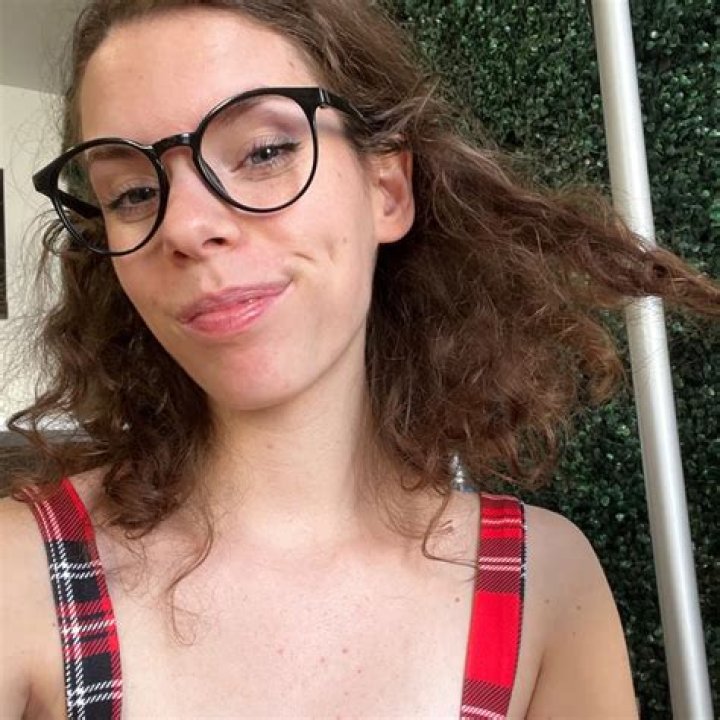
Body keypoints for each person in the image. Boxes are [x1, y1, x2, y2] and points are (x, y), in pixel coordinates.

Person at [0, 1, 716, 718]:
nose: (184, 226)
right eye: (132, 193)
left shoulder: (545, 586)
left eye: (264, 152)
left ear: (387, 190)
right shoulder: (20, 576)